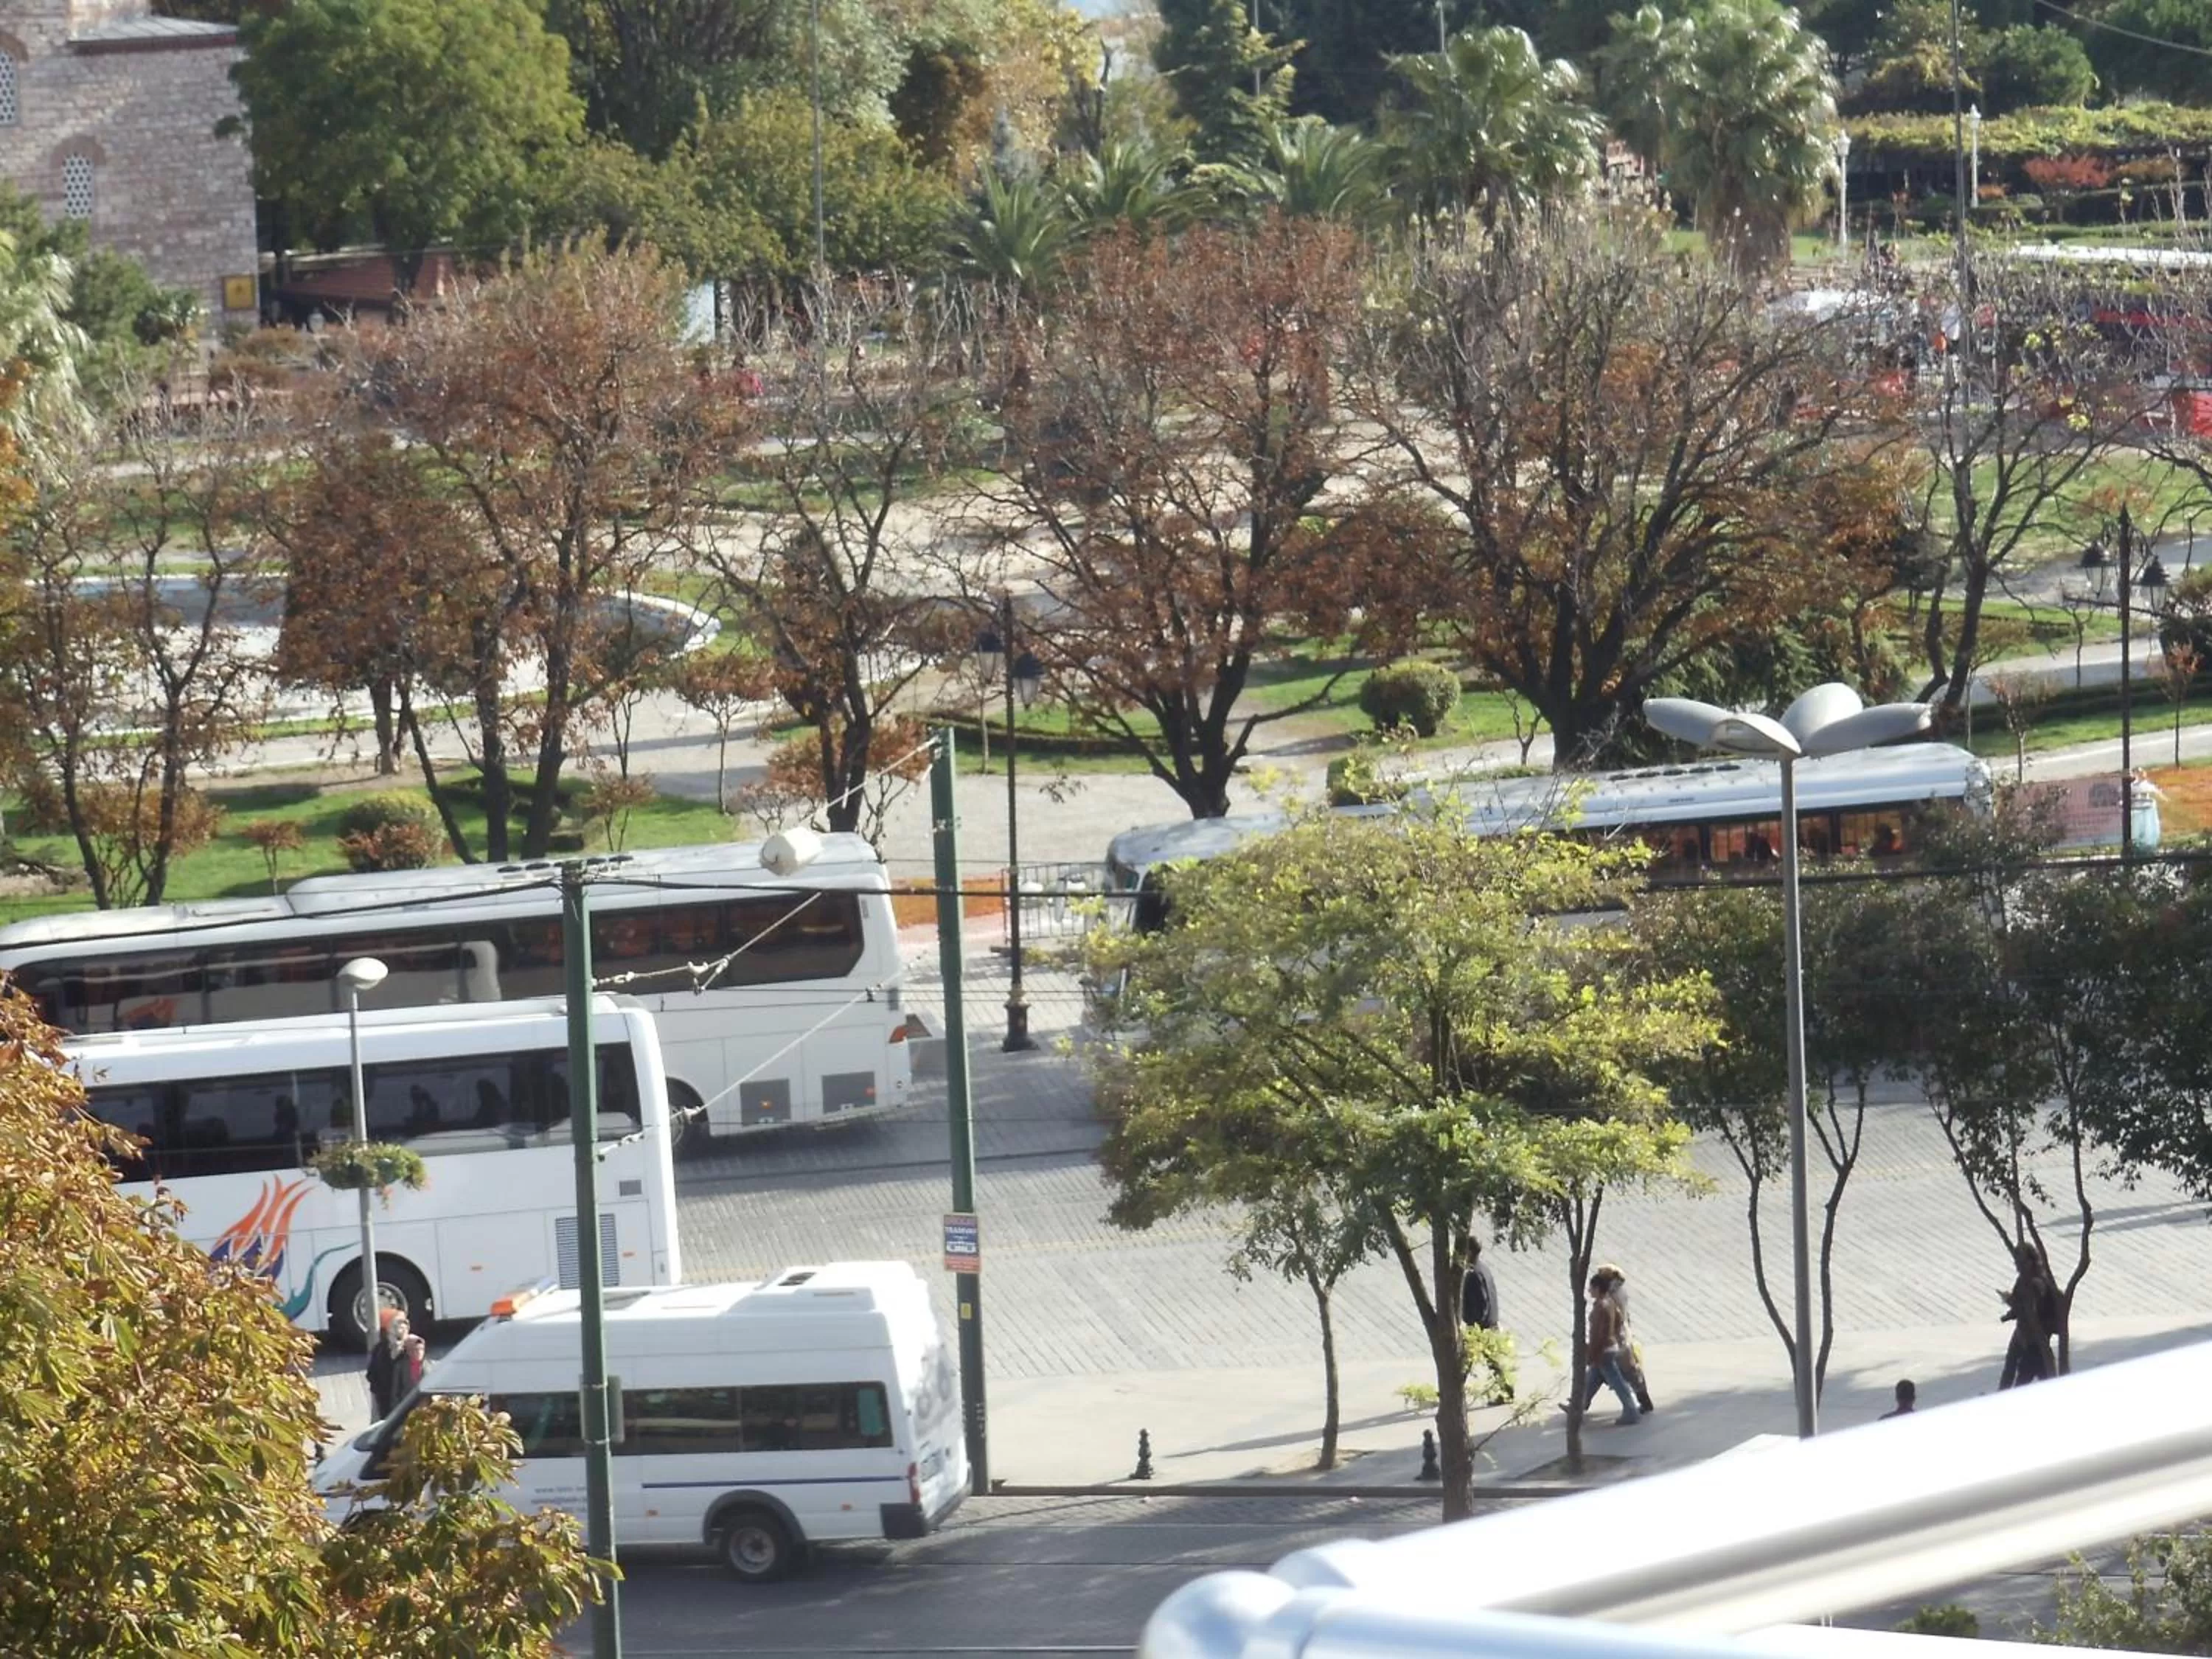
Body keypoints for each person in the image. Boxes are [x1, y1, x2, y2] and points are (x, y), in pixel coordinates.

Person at [1586, 1265, 1655, 1415]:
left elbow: (1615, 1319)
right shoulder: (1619, 1291)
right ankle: (1580, 1403)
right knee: (1600, 1373)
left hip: (1618, 1341)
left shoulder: (1612, 1296)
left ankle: (1636, 1406)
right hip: (1621, 1338)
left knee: (1625, 1374)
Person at [1579, 1273, 1642, 1426]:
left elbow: (1599, 1334)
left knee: (1617, 1382)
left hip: (1604, 1350)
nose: (1589, 1290)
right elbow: (1619, 1321)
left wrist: (1592, 1353)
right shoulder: (1610, 1303)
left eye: (1591, 1288)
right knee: (1592, 1379)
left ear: (1598, 1288)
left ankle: (1631, 1410)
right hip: (1608, 1347)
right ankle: (1579, 1406)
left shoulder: (1602, 1306)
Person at [1999, 1243, 2059, 1388]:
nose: (2017, 1266)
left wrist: (2010, 1301)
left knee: (2029, 1370)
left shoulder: (2038, 1282)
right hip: (2023, 1331)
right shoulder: (2022, 1280)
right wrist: (2010, 1314)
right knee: (2011, 1364)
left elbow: (2028, 1307)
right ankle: (2002, 1393)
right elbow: (2020, 1303)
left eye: (2020, 1262)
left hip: (2035, 1333)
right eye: (2016, 1262)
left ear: (2031, 1262)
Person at [365, 1309, 408, 1421]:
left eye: (405, 1322)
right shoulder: (380, 1350)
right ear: (388, 1329)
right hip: (387, 1408)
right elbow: (373, 1378)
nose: (403, 1326)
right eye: (398, 1323)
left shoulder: (412, 1346)